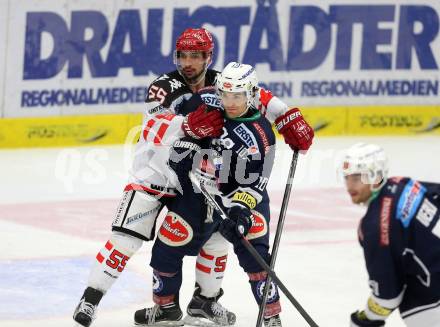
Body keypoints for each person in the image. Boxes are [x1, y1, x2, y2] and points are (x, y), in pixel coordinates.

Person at [73, 26, 314, 326]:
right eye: (183, 55)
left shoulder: (219, 83)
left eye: (196, 56)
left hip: (195, 182)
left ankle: (203, 303)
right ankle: (90, 299)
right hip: (155, 176)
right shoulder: (164, 86)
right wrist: (186, 126)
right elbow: (152, 128)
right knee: (125, 239)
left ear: (208, 58)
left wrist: (286, 115)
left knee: (215, 242)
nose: (188, 62)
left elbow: (257, 94)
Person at [133, 62, 287, 327]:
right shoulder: (204, 100)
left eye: (237, 95)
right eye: (225, 94)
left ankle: (270, 316)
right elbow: (171, 124)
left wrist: (240, 212)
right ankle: (166, 309)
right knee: (168, 243)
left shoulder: (262, 135)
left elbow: (255, 184)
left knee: (256, 257)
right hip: (195, 190)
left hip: (236, 198)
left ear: (251, 94)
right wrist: (181, 147)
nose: (229, 102)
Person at [341, 143, 440, 327]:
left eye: (357, 177)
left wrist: (365, 319)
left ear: (376, 176)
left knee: (413, 300)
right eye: (347, 177)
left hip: (432, 294)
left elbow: (388, 297)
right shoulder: (401, 183)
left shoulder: (373, 227)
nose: (349, 185)